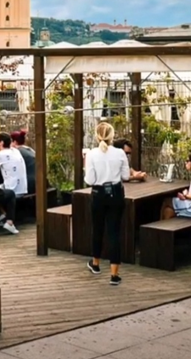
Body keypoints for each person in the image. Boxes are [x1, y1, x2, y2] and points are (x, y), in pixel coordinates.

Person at [84, 122, 129, 286]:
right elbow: (126, 176)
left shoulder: (91, 154)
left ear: (97, 135)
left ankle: (95, 264)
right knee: (114, 232)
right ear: (112, 136)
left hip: (99, 193)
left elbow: (89, 180)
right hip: (116, 193)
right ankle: (114, 274)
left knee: (97, 228)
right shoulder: (120, 153)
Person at [0, 132, 28, 197]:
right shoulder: (16, 151)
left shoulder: (0, 155)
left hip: (12, 191)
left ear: (1, 142)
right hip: (22, 189)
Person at [10, 130, 36, 195]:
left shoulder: (17, 152)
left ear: (14, 142)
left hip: (28, 184)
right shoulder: (29, 150)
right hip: (38, 181)